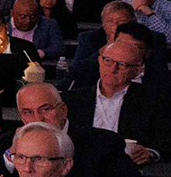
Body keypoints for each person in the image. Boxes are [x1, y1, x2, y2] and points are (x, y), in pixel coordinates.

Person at [10, 82, 168, 177]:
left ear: (63, 110)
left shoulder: (102, 142)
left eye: (45, 109)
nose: (38, 118)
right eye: (28, 112)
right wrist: (10, 153)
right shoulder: (11, 143)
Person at [64, 21, 168, 164]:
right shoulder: (72, 100)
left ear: (137, 70)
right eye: (108, 61)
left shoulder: (154, 101)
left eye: (121, 64)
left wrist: (150, 153)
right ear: (100, 60)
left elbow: (164, 143)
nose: (112, 69)